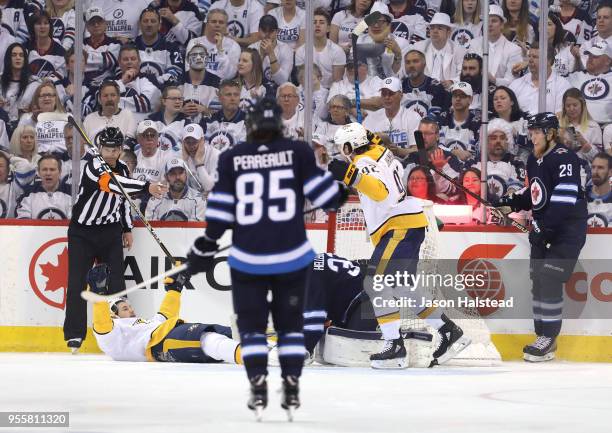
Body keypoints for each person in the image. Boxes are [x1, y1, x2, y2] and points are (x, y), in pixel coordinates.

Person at [186, 97, 346, 419]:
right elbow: (329, 199)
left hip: (248, 261)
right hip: (293, 260)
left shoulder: (232, 157)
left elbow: (219, 211)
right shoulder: (299, 152)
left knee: (253, 330)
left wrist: (204, 246)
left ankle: (257, 384)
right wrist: (339, 186)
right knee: (289, 329)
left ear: (251, 125)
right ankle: (290, 385)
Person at [330, 122, 469, 369]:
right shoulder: (380, 150)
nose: (343, 152)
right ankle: (449, 331)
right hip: (407, 225)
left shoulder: (363, 162)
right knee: (404, 289)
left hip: (399, 228)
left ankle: (394, 345)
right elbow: (372, 138)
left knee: (375, 283)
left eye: (344, 147)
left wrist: (350, 174)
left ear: (351, 145)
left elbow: (381, 192)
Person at [63, 127, 167, 353]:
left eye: (115, 149)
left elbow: (122, 199)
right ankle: (74, 335)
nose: (110, 153)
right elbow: (111, 185)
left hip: (110, 231)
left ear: (121, 150)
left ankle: (122, 328)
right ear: (100, 148)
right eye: (107, 148)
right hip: (83, 232)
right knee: (78, 283)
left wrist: (127, 228)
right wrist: (147, 187)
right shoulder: (92, 166)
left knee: (117, 284)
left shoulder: (121, 168)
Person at [495, 113, 588, 362]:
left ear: (550, 134)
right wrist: (510, 201)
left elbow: (566, 197)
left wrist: (544, 227)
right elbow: (535, 193)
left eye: (537, 131)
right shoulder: (534, 161)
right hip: (543, 229)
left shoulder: (564, 158)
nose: (532, 135)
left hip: (567, 231)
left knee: (549, 278)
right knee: (538, 281)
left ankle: (550, 337)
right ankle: (542, 336)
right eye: (531, 131)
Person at [88, 263, 242, 364]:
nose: (132, 310)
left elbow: (165, 315)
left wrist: (175, 289)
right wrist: (100, 294)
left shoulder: (144, 324)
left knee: (232, 332)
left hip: (171, 331)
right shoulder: (114, 335)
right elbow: (102, 325)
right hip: (160, 345)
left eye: (129, 307)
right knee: (206, 339)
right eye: (125, 309)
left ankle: (261, 341)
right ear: (113, 315)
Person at [363, 76, 421, 159]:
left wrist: (399, 151)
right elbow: (362, 148)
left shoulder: (413, 117)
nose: (387, 97)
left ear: (401, 95)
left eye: (391, 93)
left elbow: (418, 150)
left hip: (406, 165)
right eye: (384, 93)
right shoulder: (371, 118)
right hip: (378, 166)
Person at [509, 41, 572, 116]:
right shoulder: (516, 84)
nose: (531, 60)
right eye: (529, 56)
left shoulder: (562, 85)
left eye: (535, 57)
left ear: (549, 61)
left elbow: (560, 116)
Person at [468, 4, 523, 87]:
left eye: (494, 21)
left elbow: (513, 81)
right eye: (487, 21)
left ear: (502, 25)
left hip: (501, 95)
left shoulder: (514, 49)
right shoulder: (474, 44)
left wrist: (494, 80)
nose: (490, 24)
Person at [295, 8, 346, 90]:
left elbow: (337, 83)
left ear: (328, 28)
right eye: (314, 22)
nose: (317, 25)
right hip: (307, 90)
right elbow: (301, 79)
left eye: (321, 22)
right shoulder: (301, 51)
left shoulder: (337, 51)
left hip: (330, 91)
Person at [410, 12, 465, 87]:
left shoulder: (459, 50)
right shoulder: (419, 48)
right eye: (432, 28)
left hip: (449, 93)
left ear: (448, 32)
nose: (435, 31)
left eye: (440, 28)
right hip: (423, 91)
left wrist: (452, 82)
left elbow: (464, 74)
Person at [135, 7, 183, 90]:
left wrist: (153, 81)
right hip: (137, 91)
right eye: (145, 21)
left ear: (159, 25)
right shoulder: (132, 46)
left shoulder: (171, 47)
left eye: (153, 21)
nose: (149, 24)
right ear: (139, 24)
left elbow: (177, 73)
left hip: (163, 93)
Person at [188, 9, 241, 80]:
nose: (217, 25)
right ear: (207, 24)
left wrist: (220, 50)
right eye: (213, 22)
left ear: (226, 26)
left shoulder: (234, 46)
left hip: (222, 87)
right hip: (199, 85)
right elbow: (189, 70)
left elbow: (230, 74)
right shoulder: (194, 43)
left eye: (221, 22)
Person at [568, 40, 612, 126]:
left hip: (606, 126)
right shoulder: (576, 76)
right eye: (589, 55)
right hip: (578, 125)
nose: (590, 59)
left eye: (595, 56)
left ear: (608, 61)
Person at [15, 154, 71, 219]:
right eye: (44, 169)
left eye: (52, 169)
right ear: (39, 172)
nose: (48, 173)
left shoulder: (71, 192)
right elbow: (23, 222)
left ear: (60, 172)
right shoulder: (28, 194)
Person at [83, 81, 137, 149]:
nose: (109, 99)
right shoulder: (89, 119)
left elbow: (129, 141)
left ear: (119, 98)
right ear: (99, 99)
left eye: (113, 95)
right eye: (105, 96)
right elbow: (83, 145)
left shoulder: (127, 115)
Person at [180, 40, 221, 124]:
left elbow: (221, 115)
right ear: (187, 59)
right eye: (194, 55)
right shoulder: (178, 80)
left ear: (208, 58)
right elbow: (166, 108)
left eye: (202, 55)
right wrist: (181, 110)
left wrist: (205, 110)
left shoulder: (218, 82)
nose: (199, 58)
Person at [438, 81, 481, 162]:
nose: (458, 99)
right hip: (443, 166)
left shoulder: (477, 123)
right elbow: (437, 147)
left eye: (462, 96)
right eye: (455, 95)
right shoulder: (443, 119)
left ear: (471, 99)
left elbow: (475, 151)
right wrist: (453, 151)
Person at [0, 42, 40, 128]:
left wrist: (32, 109)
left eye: (21, 55)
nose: (18, 58)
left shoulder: (35, 83)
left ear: (25, 59)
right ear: (8, 58)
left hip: (25, 128)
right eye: (14, 55)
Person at [401, 48, 450, 118]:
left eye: (415, 61)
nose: (411, 65)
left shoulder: (436, 88)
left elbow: (437, 117)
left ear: (424, 64)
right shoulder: (400, 87)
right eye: (408, 62)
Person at [248, 14, 294, 88]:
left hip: (279, 91)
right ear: (259, 30)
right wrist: (261, 56)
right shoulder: (252, 48)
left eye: (271, 31)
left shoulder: (286, 49)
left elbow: (282, 81)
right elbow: (250, 80)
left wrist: (271, 53)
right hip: (257, 88)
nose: (267, 34)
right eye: (264, 30)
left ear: (277, 31)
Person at [558, 87, 603, 162]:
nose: (572, 109)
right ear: (564, 107)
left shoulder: (593, 126)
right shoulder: (558, 125)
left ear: (582, 105)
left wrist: (584, 143)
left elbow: (599, 159)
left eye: (575, 105)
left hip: (585, 169)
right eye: (568, 106)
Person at [202, 80, 247, 154]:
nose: (233, 98)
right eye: (228, 95)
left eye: (236, 95)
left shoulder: (249, 121)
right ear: (220, 98)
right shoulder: (208, 121)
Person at [83, 6, 122, 88]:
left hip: (107, 86)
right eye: (92, 22)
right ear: (87, 26)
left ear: (106, 23)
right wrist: (101, 60)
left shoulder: (115, 44)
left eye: (99, 21)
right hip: (83, 85)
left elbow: (109, 61)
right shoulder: (80, 44)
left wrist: (85, 59)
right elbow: (76, 63)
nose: (96, 25)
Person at [147, 85, 190, 152]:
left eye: (180, 99)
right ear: (164, 101)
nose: (178, 102)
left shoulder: (187, 123)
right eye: (174, 99)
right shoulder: (151, 120)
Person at [181, 123, 219, 194]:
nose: (191, 146)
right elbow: (179, 186)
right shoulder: (181, 154)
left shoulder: (216, 155)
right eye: (188, 142)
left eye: (194, 142)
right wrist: (184, 161)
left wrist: (199, 162)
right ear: (183, 143)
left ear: (202, 141)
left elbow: (210, 188)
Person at [27, 11, 66, 79]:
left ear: (50, 26)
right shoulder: (26, 47)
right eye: (38, 23)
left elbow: (60, 76)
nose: (42, 26)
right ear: (32, 27)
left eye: (46, 23)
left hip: (51, 87)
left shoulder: (60, 51)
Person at [586, 152, 612, 227]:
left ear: (610, 172)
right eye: (593, 167)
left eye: (600, 168)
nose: (595, 172)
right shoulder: (582, 197)